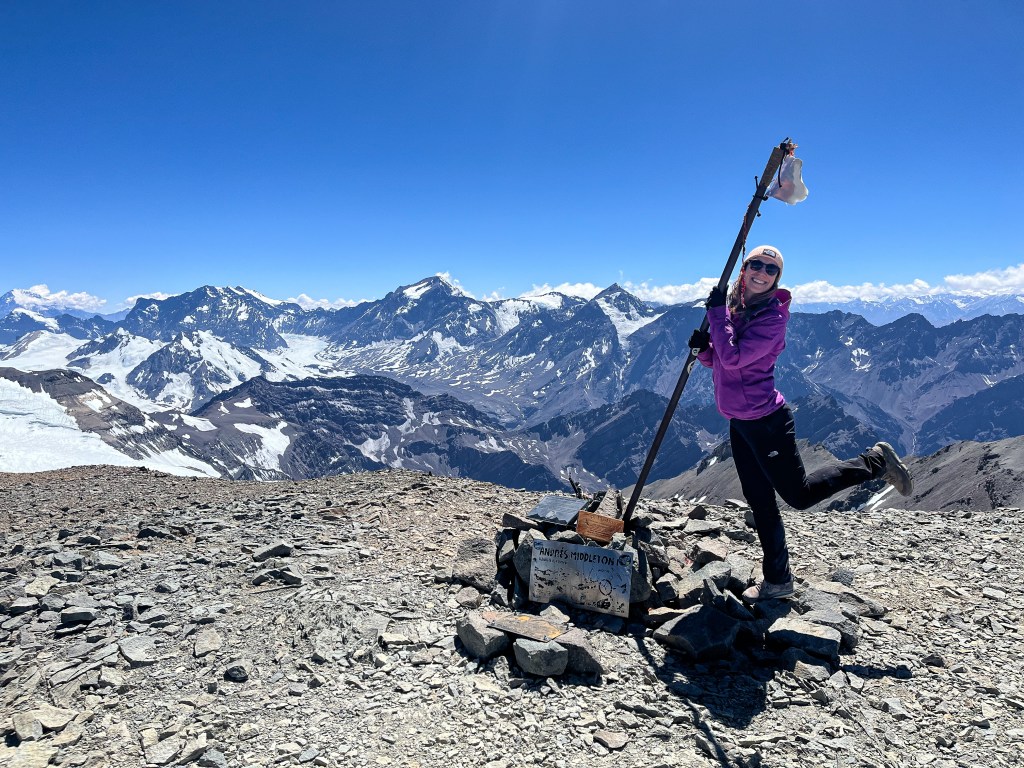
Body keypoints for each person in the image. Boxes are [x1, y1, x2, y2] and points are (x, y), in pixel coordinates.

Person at [689, 245, 913, 602]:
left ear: (778, 278)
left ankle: (875, 462)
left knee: (800, 496)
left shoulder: (772, 319)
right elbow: (718, 362)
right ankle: (778, 580)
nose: (762, 272)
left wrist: (716, 315)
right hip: (741, 423)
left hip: (767, 422)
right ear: (744, 268)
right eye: (755, 264)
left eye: (771, 269)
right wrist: (704, 349)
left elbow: (732, 359)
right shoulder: (739, 309)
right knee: (759, 501)